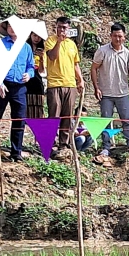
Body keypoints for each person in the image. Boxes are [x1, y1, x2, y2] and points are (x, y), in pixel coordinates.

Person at [90, 22, 129, 161]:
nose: (117, 39)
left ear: (124, 37)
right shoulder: (102, 51)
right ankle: (106, 147)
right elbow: (94, 68)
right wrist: (96, 87)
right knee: (105, 120)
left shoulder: (128, 53)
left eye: (120, 36)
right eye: (115, 36)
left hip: (122, 92)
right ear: (110, 36)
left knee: (127, 119)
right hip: (106, 92)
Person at [0, 19, 36, 162]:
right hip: (2, 85)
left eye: (14, 26)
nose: (12, 28)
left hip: (20, 87)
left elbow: (31, 66)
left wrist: (29, 74)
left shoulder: (26, 47)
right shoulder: (0, 44)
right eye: (9, 26)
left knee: (19, 119)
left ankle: (16, 152)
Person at [45, 17, 83, 156]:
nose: (62, 30)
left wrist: (80, 80)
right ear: (56, 27)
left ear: (68, 29)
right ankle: (50, 144)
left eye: (65, 27)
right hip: (54, 84)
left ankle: (64, 144)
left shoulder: (72, 44)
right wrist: (59, 42)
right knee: (54, 115)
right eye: (60, 27)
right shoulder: (50, 41)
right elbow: (52, 57)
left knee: (67, 116)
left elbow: (75, 64)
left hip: (70, 84)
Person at [26, 32, 46, 119]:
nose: (36, 38)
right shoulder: (25, 47)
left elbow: (42, 71)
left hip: (37, 80)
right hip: (26, 79)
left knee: (38, 106)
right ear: (30, 35)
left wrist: (41, 58)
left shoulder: (44, 50)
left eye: (39, 36)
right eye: (34, 35)